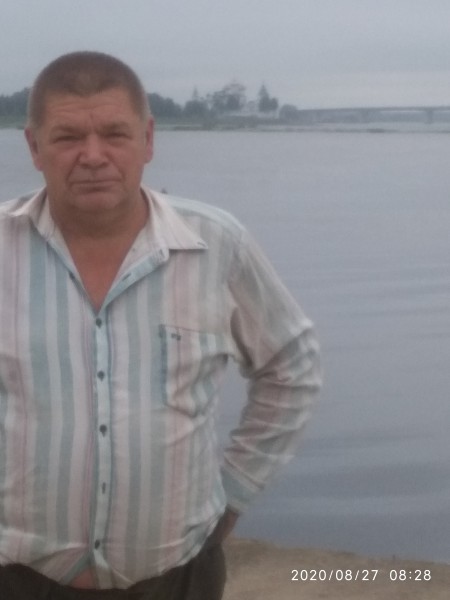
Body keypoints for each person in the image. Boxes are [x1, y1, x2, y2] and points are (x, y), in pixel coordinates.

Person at [0, 51, 321, 599]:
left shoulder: (216, 245)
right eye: (68, 137)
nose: (93, 156)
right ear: (34, 146)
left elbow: (293, 366)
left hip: (177, 579)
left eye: (115, 134)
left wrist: (235, 490)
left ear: (147, 139)